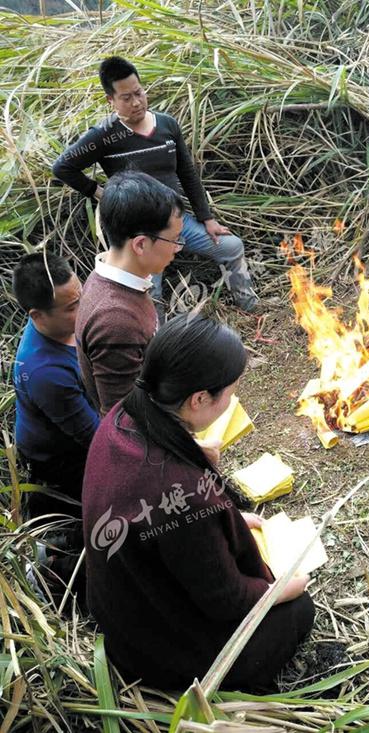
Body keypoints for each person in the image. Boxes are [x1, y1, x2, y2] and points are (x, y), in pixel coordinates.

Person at [82, 315, 314, 691]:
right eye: (231, 392)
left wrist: (228, 518)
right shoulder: (183, 493)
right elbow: (226, 599)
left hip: (122, 607)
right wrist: (286, 587)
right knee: (300, 611)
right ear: (199, 399)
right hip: (153, 653)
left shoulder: (123, 414)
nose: (233, 401)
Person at [52, 55, 258, 317]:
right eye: (126, 98)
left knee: (232, 247)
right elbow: (62, 167)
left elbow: (187, 173)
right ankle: (156, 343)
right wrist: (100, 194)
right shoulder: (104, 135)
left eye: (139, 92)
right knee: (150, 289)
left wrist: (207, 218)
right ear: (110, 100)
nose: (136, 102)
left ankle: (250, 307)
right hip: (141, 233)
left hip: (179, 221)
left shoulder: (167, 125)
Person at [76, 170, 183, 416]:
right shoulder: (115, 320)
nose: (177, 248)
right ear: (141, 244)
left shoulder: (109, 277)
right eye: (175, 239)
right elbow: (122, 419)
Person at [13, 253, 99, 519]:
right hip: (57, 459)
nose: (86, 307)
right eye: (73, 306)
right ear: (37, 315)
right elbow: (94, 436)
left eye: (82, 295)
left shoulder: (62, 325)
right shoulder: (45, 372)